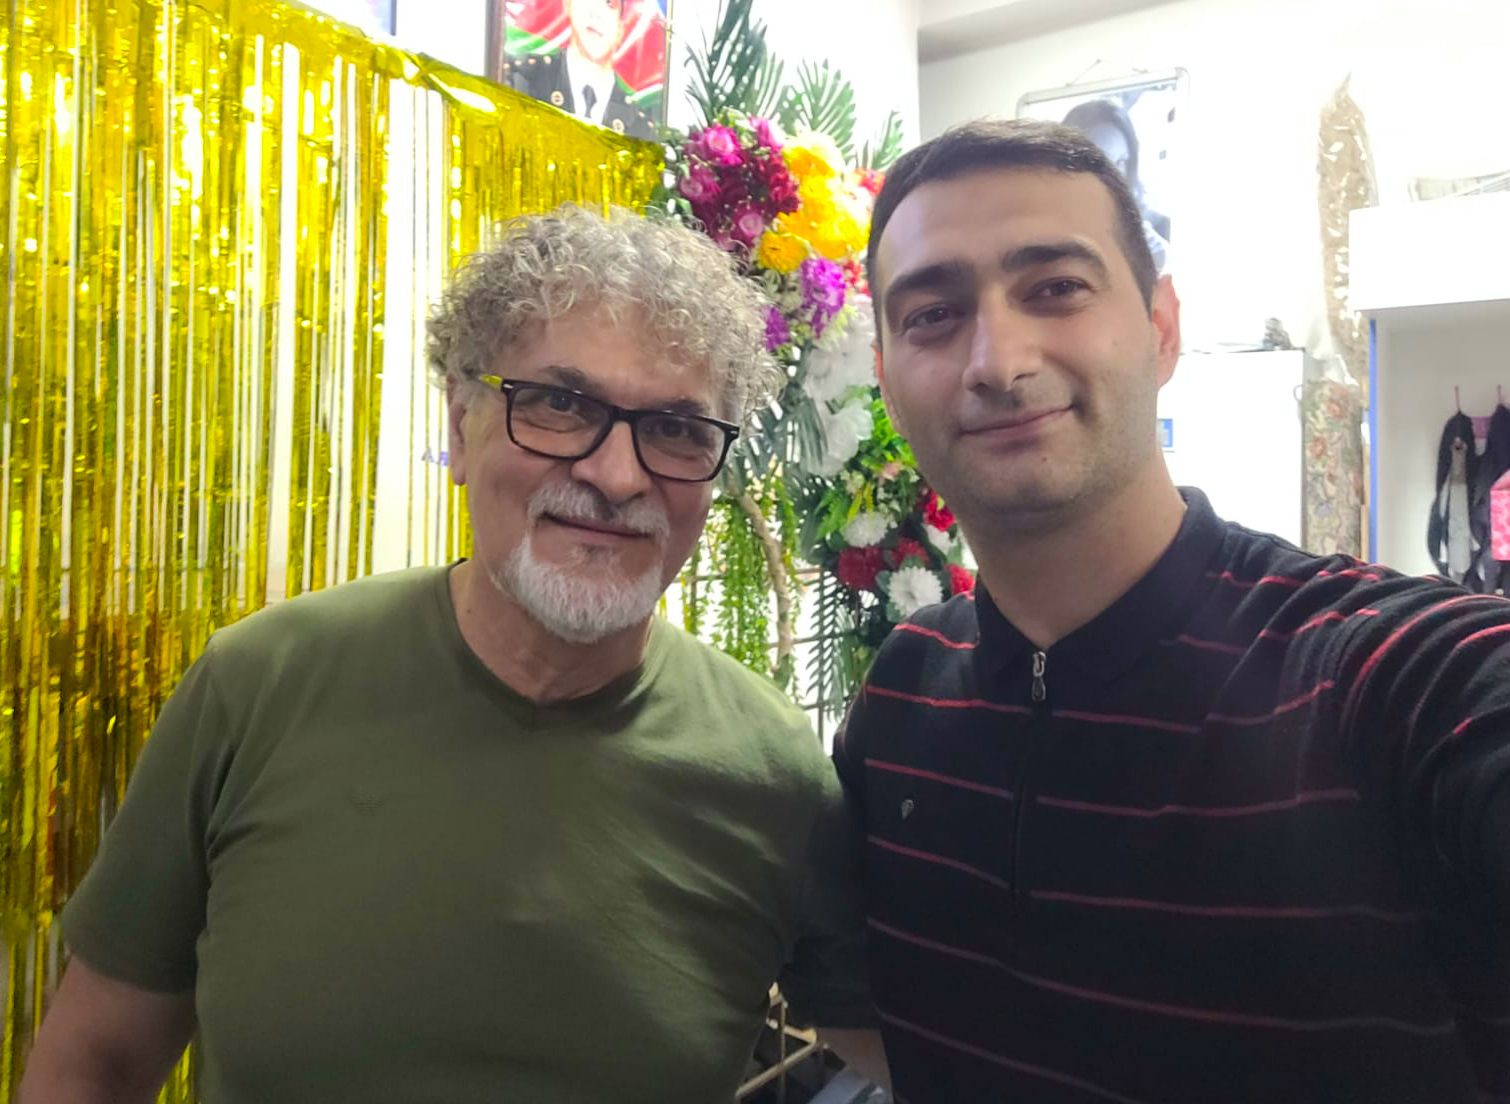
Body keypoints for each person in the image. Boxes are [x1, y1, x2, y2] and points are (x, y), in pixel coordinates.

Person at [20, 206, 876, 1104]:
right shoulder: (260, 685)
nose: (618, 475)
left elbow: (929, 1055)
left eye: (675, 429)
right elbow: (94, 1062)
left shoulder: (775, 774)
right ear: (462, 428)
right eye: (560, 404)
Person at [840, 117, 1510, 1103]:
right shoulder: (901, 698)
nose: (997, 359)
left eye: (1055, 288)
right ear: (887, 378)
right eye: (933, 314)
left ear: (1161, 328)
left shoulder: (1386, 677)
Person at [508, 0, 656, 140]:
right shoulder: (521, 81)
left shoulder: (640, 127)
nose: (596, 13)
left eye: (609, 2)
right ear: (568, 4)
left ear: (620, 29)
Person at [1061, 98, 1170, 272]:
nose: (1115, 175)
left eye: (1121, 161)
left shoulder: (1158, 228)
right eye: (1098, 161)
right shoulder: (1044, 228)